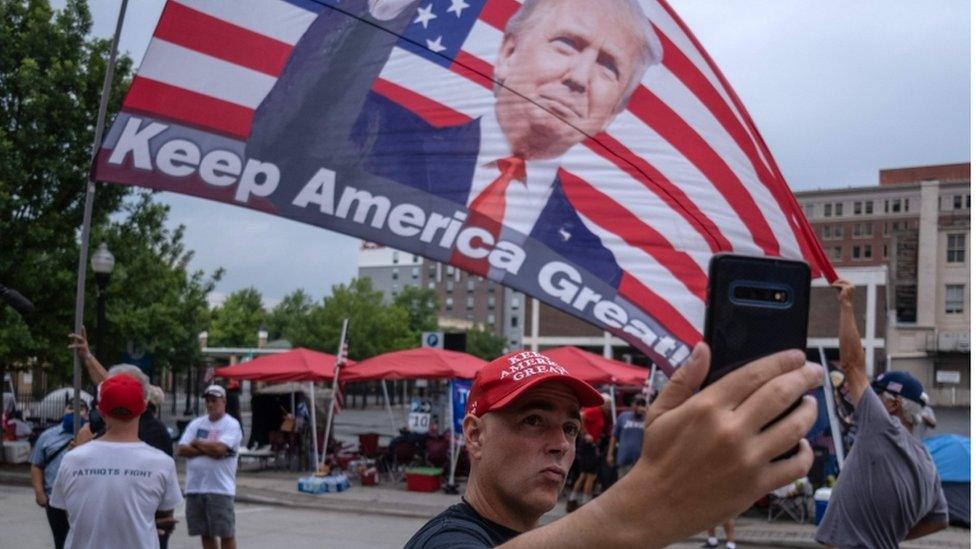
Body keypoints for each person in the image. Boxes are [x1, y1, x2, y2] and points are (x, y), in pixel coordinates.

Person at [247, 0, 663, 281]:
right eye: (567, 44)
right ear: (507, 53)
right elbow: (284, 155)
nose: (579, 78)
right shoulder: (377, 136)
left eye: (608, 68)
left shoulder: (594, 265)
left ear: (611, 115)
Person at [405, 346, 822, 547]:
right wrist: (658, 498)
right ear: (475, 435)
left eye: (570, 428)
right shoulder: (447, 540)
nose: (559, 445)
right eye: (533, 420)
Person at [815, 279, 948, 547]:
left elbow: (852, 365)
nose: (866, 399)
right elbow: (939, 520)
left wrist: (847, 305)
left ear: (893, 405)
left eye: (876, 395)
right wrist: (889, 538)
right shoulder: (928, 465)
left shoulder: (883, 428)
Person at [48, 374, 182, 549]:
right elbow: (165, 514)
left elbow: (70, 512)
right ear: (143, 408)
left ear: (100, 410)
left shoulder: (72, 459)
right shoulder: (162, 463)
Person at [68, 328, 173, 456]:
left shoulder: (153, 433)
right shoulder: (118, 424)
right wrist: (87, 355)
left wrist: (83, 450)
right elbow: (107, 381)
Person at [177, 385, 243, 549]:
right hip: (195, 487)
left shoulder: (231, 425)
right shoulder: (196, 424)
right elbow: (182, 449)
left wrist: (197, 443)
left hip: (220, 488)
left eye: (214, 400)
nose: (211, 404)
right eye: (208, 401)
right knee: (205, 532)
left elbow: (220, 450)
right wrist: (210, 450)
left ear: (224, 401)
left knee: (225, 533)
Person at [30, 402, 89, 549]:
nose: (74, 412)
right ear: (64, 411)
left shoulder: (95, 436)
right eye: (71, 408)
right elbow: (37, 465)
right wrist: (39, 492)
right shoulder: (48, 436)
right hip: (54, 500)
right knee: (61, 540)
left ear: (87, 414)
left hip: (85, 501)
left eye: (80, 409)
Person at [565, 393, 609, 511]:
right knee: (591, 475)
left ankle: (573, 500)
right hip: (588, 446)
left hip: (589, 445)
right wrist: (585, 433)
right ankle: (584, 503)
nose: (609, 407)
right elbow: (581, 415)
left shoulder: (600, 413)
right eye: (608, 405)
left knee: (584, 474)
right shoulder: (595, 410)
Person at [607, 395, 645, 478]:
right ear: (632, 405)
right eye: (638, 404)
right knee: (622, 482)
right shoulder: (623, 416)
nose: (640, 407)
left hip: (640, 461)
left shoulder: (647, 418)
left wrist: (647, 413)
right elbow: (614, 436)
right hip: (624, 458)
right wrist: (610, 454)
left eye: (642, 404)